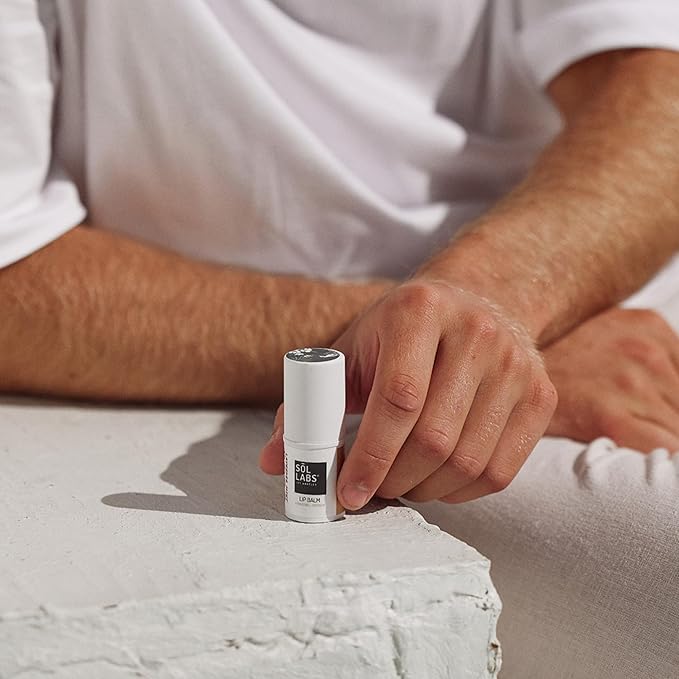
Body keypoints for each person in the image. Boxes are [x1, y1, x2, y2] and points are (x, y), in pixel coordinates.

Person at [2, 2, 679, 676]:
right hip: (378, 423)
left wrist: (485, 305)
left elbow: (656, 86)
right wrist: (446, 342)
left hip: (604, 330)